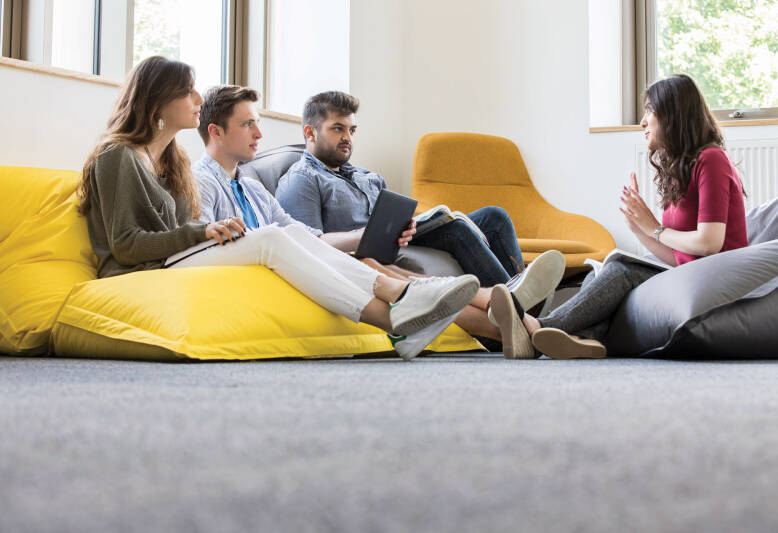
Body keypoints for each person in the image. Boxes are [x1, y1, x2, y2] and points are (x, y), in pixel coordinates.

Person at [76, 56, 481, 362]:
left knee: (289, 232)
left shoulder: (171, 161)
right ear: (156, 101)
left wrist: (202, 235)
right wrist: (201, 233)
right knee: (270, 237)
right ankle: (396, 308)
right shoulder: (118, 156)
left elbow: (179, 231)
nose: (198, 99)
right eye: (187, 92)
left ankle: (399, 311)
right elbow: (126, 245)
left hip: (172, 259)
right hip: (140, 270)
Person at [194, 84, 565, 358]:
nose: (259, 134)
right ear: (216, 131)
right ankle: (512, 306)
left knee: (482, 221)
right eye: (247, 124)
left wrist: (386, 230)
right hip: (337, 256)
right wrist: (359, 239)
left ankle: (519, 324)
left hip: (362, 251)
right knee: (382, 263)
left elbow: (300, 235)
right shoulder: (214, 180)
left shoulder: (254, 188)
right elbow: (208, 238)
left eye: (351, 130)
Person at [498, 74, 748, 359]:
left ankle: (540, 327)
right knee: (601, 272)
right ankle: (583, 339)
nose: (642, 122)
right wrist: (638, 228)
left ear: (672, 115)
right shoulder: (683, 169)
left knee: (621, 272)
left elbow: (709, 243)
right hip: (692, 273)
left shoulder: (711, 159)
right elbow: (678, 258)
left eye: (649, 111)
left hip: (717, 277)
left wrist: (654, 229)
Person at [275, 91, 528, 290]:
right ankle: (514, 301)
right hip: (361, 253)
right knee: (456, 229)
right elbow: (306, 243)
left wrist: (408, 225)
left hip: (396, 242)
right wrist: (362, 235)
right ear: (310, 132)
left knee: (494, 216)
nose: (348, 138)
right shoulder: (302, 179)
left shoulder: (367, 177)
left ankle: (521, 293)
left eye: (352, 130)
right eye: (338, 128)